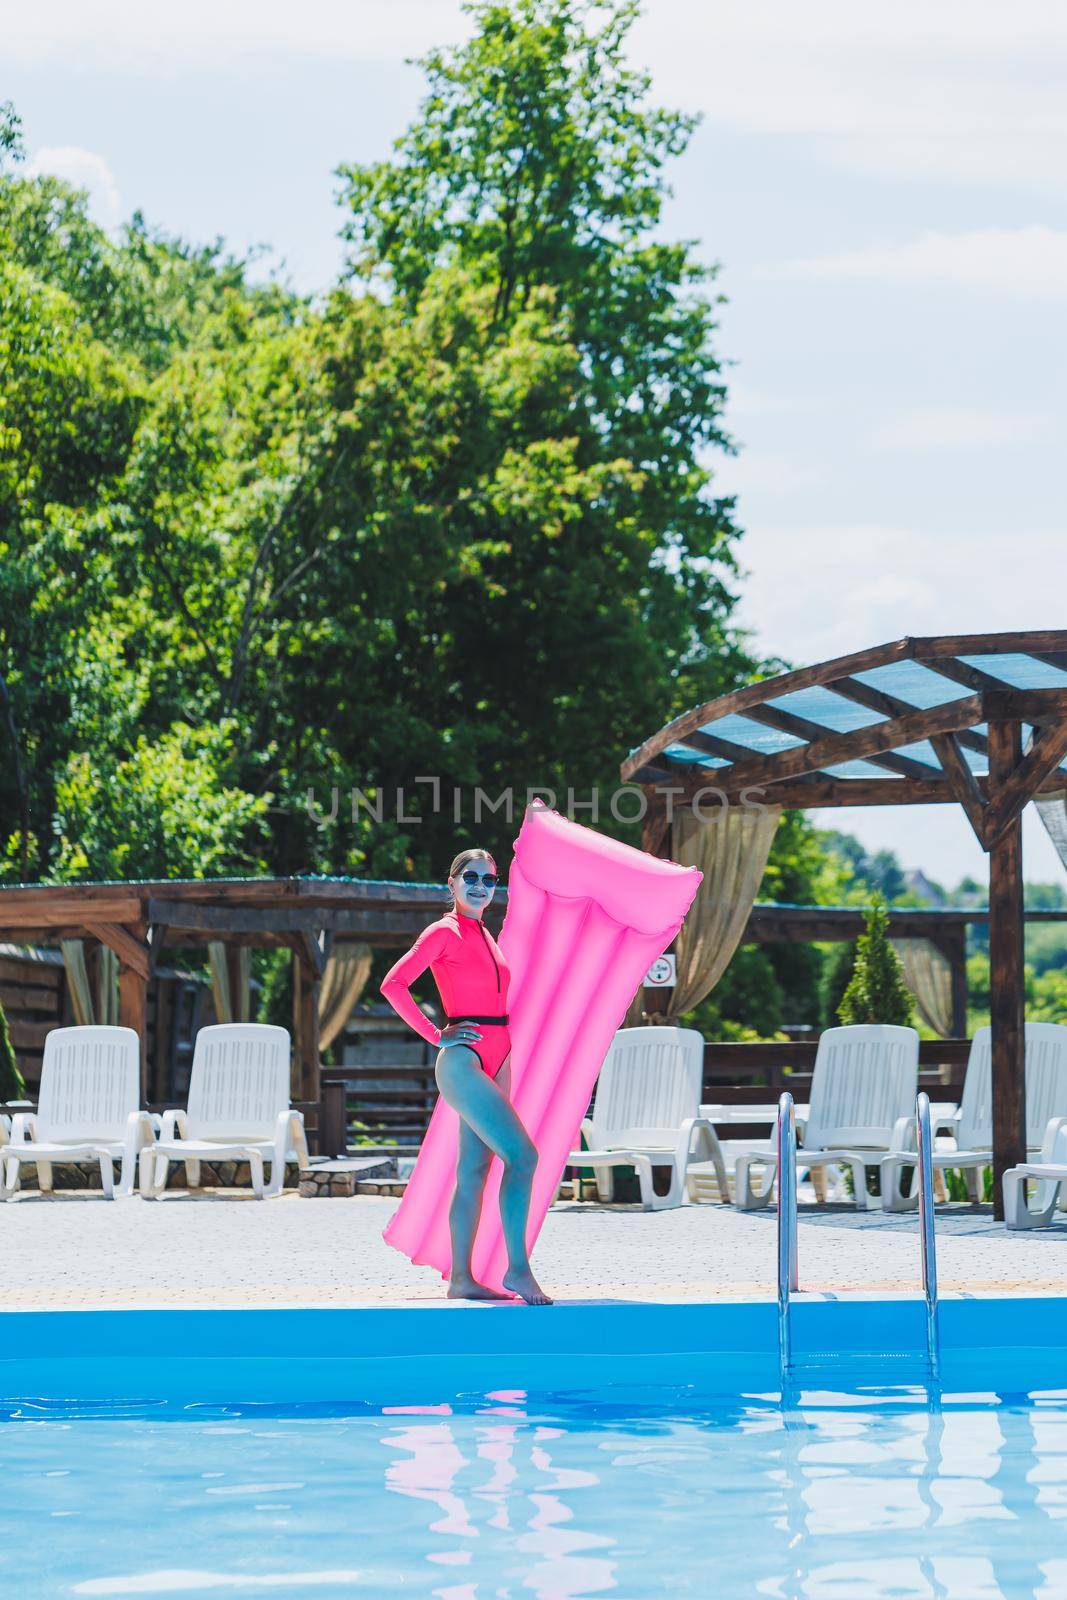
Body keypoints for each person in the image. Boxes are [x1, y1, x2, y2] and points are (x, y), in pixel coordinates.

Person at [380, 848, 553, 1306]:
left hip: (498, 1055)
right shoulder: (444, 930)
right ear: (452, 883)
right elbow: (393, 985)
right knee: (524, 1157)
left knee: (475, 1170)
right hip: (464, 1060)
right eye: (471, 877)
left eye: (489, 879)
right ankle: (517, 1269)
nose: (480, 885)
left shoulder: (485, 934)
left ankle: (462, 1278)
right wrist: (437, 1035)